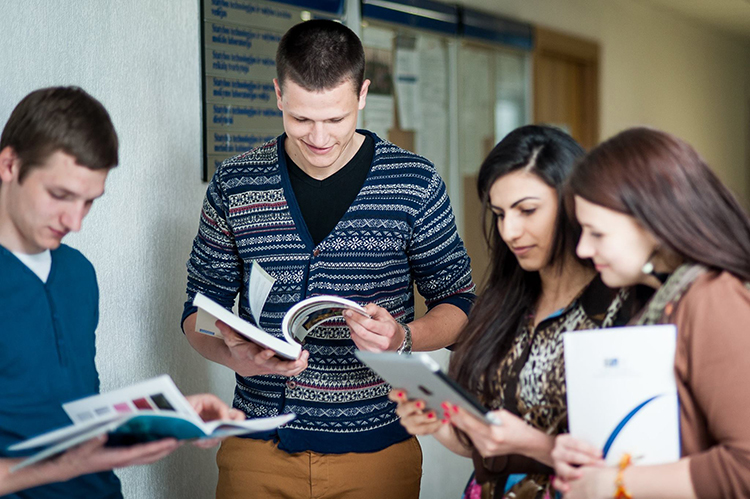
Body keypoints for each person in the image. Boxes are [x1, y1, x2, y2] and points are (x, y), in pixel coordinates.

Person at [181, 18, 475, 499]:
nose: (318, 137)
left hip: (378, 448)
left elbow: (461, 304)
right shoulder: (236, 184)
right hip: (258, 443)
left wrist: (405, 337)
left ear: (362, 95)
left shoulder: (414, 182)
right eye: (300, 119)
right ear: (279, 94)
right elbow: (197, 312)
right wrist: (233, 355)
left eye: (336, 119)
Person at [0, 86, 243, 498]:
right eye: (60, 196)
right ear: (9, 165)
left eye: (89, 202)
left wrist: (166, 417)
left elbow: (71, 410)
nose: (74, 222)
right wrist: (72, 464)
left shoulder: (77, 273)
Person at [391, 125, 646, 499]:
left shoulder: (622, 309)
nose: (510, 231)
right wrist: (440, 424)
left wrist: (534, 445)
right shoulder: (505, 303)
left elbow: (635, 462)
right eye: (499, 214)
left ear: (575, 202)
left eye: (527, 210)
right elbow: (482, 445)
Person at [551, 127, 750, 499]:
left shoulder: (712, 297)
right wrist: (584, 458)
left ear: (653, 223)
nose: (581, 249)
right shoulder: (654, 298)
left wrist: (612, 483)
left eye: (596, 233)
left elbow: (745, 465)